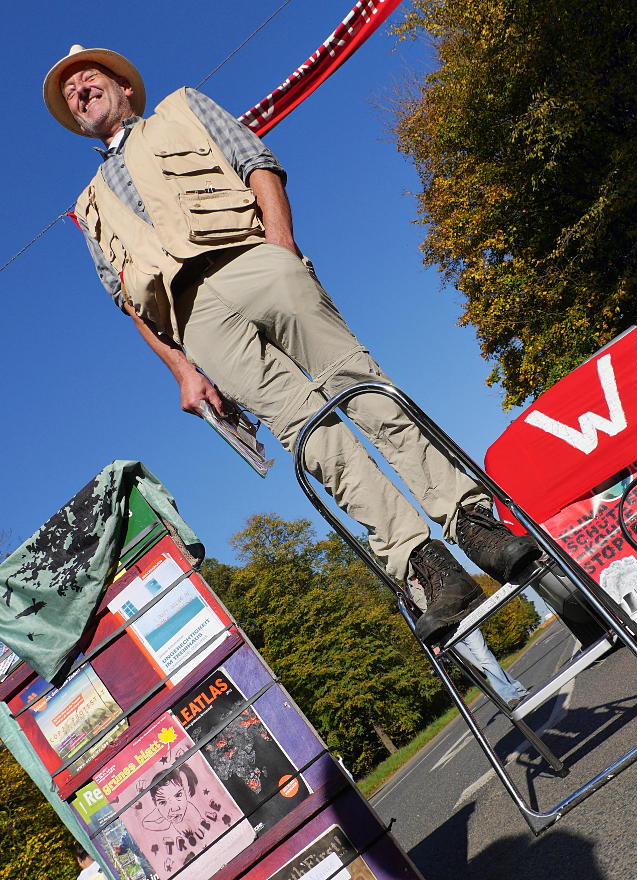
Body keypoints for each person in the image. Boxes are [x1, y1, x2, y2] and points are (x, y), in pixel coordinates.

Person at [43, 45, 541, 644]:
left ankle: (473, 523)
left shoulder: (183, 107)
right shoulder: (88, 206)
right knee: (308, 438)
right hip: (197, 321)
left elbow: (257, 163)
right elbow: (129, 303)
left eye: (88, 77)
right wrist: (182, 371)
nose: (79, 91)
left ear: (123, 86)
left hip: (254, 259)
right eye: (69, 92)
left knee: (360, 386)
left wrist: (281, 249)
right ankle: (426, 569)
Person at [454, 629, 528, 709]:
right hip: (449, 636)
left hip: (465, 622)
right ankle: (518, 690)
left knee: (485, 659)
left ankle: (510, 696)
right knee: (483, 667)